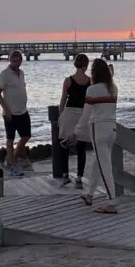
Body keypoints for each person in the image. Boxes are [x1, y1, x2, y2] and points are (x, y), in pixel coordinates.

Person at [74, 58, 119, 214]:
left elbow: (86, 115)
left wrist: (76, 132)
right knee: (98, 162)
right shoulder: (114, 88)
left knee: (104, 165)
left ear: (94, 73)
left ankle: (111, 201)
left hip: (98, 128)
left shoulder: (92, 90)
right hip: (112, 129)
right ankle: (89, 194)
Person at [58, 54, 90, 189]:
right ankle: (79, 178)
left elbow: (63, 100)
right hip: (82, 114)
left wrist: (61, 115)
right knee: (81, 148)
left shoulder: (68, 80)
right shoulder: (90, 81)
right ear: (86, 65)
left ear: (75, 64)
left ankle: (65, 176)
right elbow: (90, 102)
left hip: (69, 113)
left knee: (64, 145)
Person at [0, 50, 31, 177]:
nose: (16, 63)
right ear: (10, 61)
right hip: (10, 113)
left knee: (26, 136)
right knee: (10, 140)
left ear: (21, 60)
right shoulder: (4, 74)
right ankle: (13, 167)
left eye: (18, 60)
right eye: (13, 61)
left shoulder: (21, 73)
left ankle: (12, 158)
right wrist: (7, 110)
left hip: (23, 111)